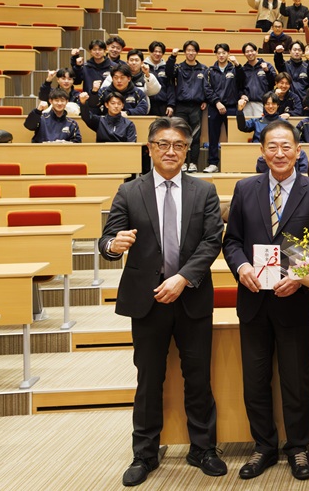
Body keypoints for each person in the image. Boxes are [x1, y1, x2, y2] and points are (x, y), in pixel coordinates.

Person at [223, 120, 309, 481]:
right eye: (272, 146)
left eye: (286, 147)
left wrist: (299, 279)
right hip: (253, 300)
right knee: (255, 379)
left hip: (294, 301)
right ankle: (263, 446)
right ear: (262, 152)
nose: (279, 153)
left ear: (299, 152)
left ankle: (298, 447)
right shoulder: (245, 189)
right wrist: (242, 267)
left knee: (296, 380)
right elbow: (232, 240)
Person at [99, 117, 225, 487]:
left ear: (187, 151)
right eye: (163, 144)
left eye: (179, 145)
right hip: (148, 301)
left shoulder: (204, 191)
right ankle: (145, 453)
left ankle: (203, 448)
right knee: (148, 379)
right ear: (150, 148)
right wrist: (112, 245)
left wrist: (182, 278)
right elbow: (108, 239)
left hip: (191, 297)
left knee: (198, 379)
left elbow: (211, 242)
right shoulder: (129, 191)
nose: (171, 151)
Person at [165, 42, 208, 172]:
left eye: (193, 50)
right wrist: (172, 57)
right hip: (181, 106)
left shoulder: (203, 69)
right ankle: (182, 162)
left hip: (196, 106)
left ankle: (193, 163)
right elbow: (168, 72)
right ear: (185, 52)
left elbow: (207, 87)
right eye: (188, 50)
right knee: (180, 135)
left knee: (195, 135)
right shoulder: (178, 68)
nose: (190, 53)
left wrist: (205, 99)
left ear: (197, 52)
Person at [238, 42, 276, 117]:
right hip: (248, 104)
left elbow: (273, 83)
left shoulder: (267, 65)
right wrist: (241, 95)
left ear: (256, 52)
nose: (250, 53)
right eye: (247, 52)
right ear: (244, 54)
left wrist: (267, 71)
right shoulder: (243, 69)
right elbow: (239, 86)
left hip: (263, 103)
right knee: (247, 127)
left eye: (252, 51)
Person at [146, 41, 171, 117]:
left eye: (160, 52)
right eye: (155, 51)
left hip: (163, 104)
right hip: (148, 104)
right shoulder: (143, 67)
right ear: (150, 51)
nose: (157, 54)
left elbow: (170, 87)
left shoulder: (167, 68)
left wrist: (171, 105)